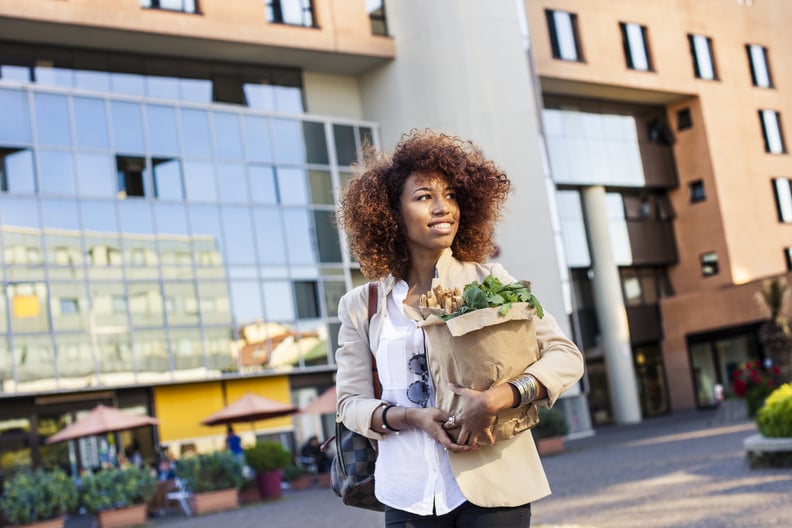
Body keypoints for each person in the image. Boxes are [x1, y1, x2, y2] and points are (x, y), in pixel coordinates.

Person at [334, 130, 584, 527]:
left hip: (495, 486)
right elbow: (349, 404)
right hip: (408, 494)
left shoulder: (491, 281)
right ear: (390, 214)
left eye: (450, 195)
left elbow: (566, 357)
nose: (443, 208)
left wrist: (498, 399)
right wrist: (410, 418)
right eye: (424, 197)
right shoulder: (360, 306)